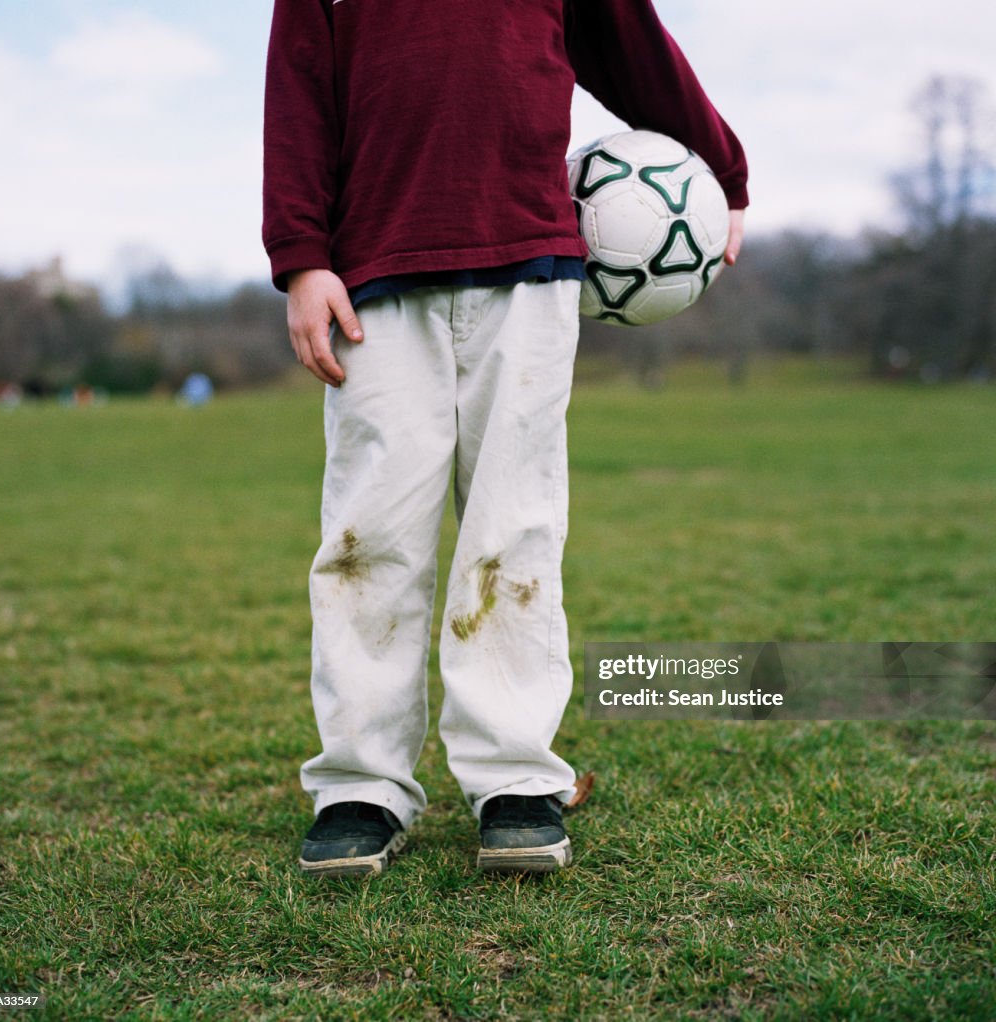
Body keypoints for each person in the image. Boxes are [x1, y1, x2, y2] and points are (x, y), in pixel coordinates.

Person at [263, 0, 748, 877]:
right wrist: (302, 254)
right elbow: (296, 93)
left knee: (513, 526)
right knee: (368, 535)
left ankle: (515, 778)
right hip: (374, 274)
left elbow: (634, 48)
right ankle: (360, 786)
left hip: (529, 265)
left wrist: (723, 170)